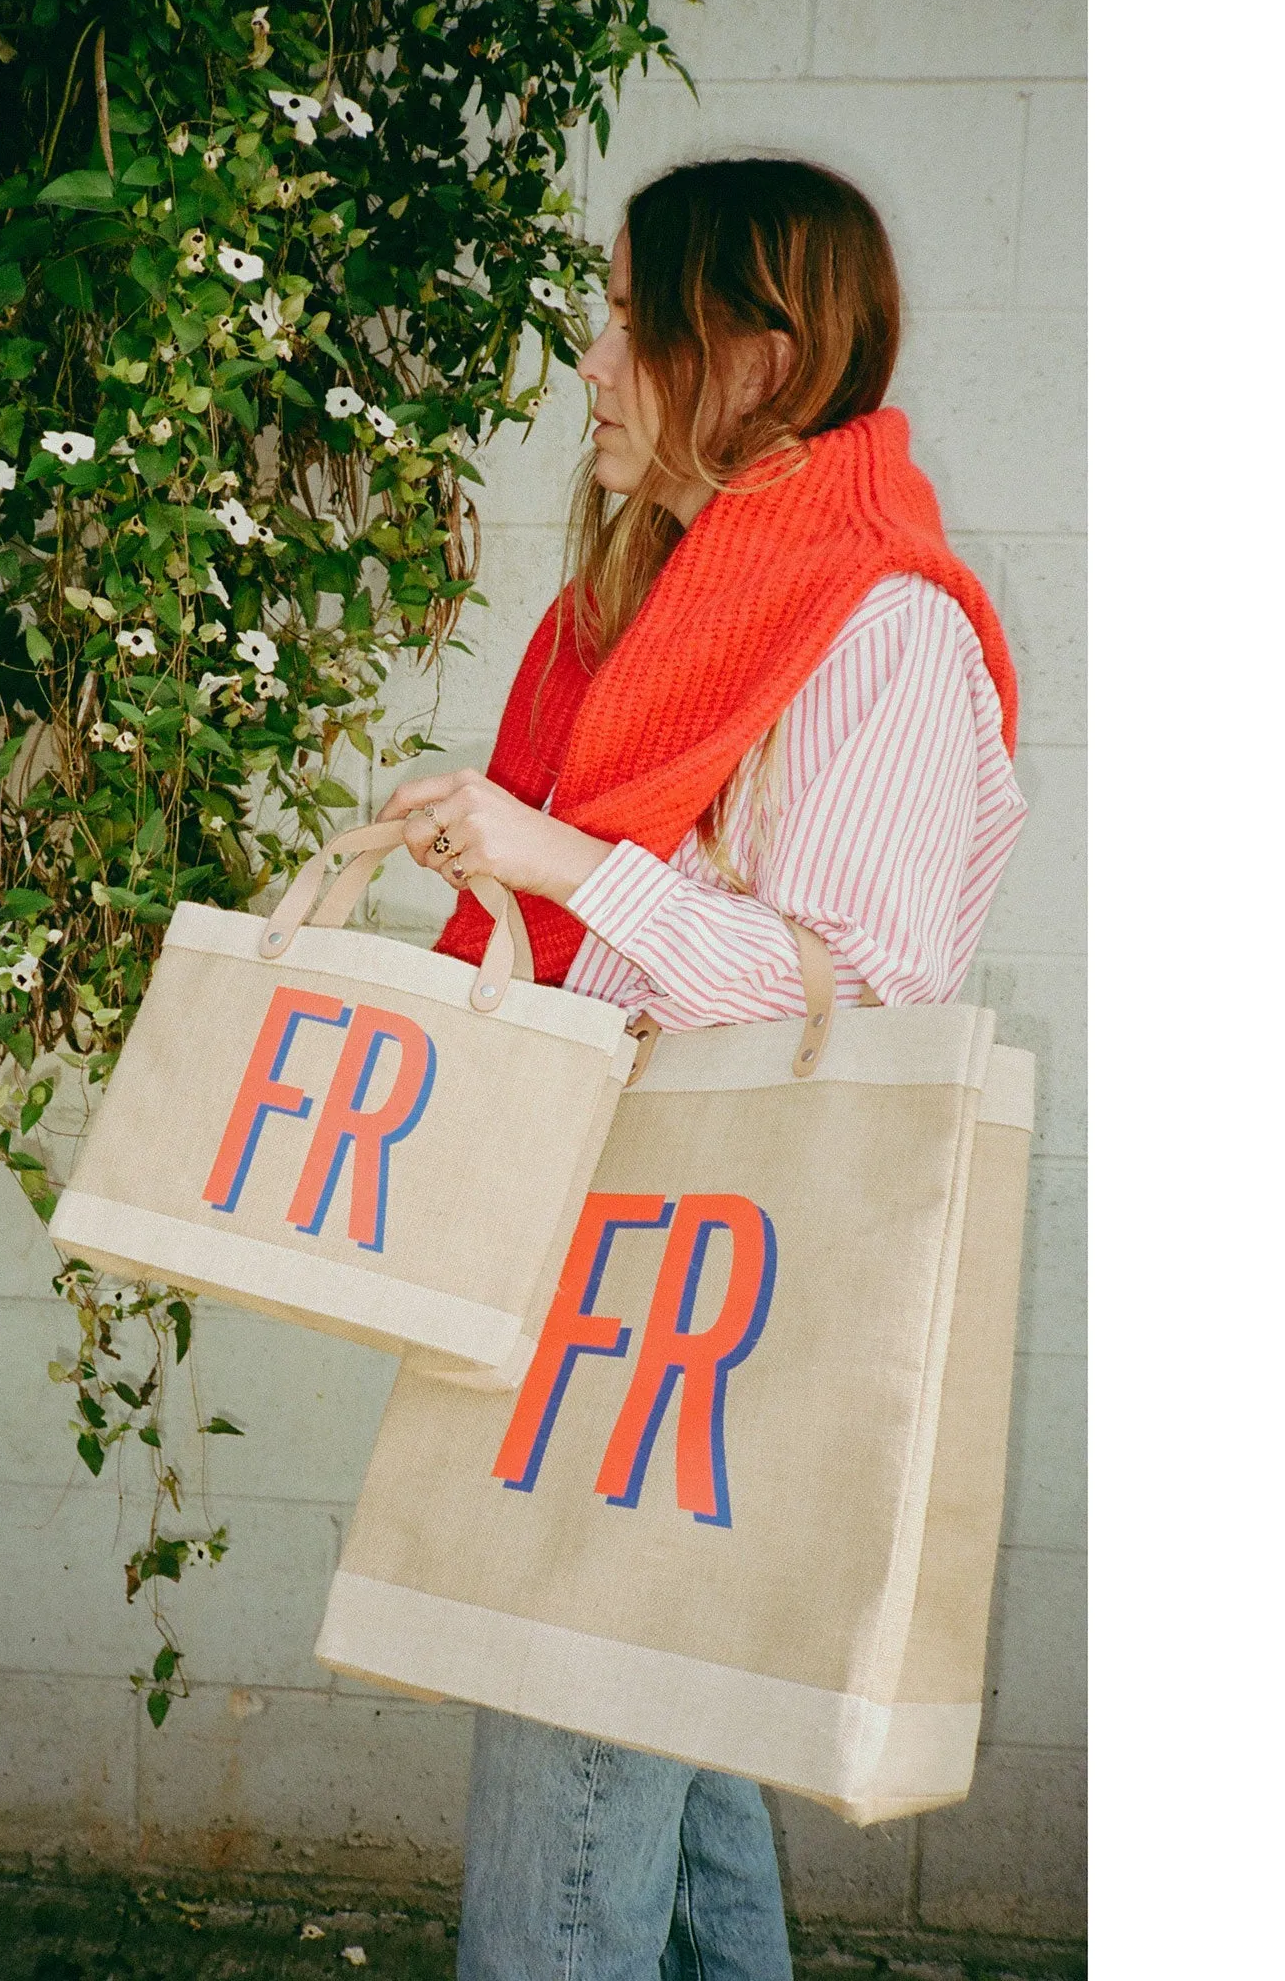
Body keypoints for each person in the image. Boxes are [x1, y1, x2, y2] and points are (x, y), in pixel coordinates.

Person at [374, 158, 1028, 1980]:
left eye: (625, 322)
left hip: (697, 1302)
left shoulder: (876, 625)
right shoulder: (668, 611)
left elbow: (868, 995)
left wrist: (569, 863)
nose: (587, 366)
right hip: (616, 1259)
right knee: (664, 1764)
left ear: (756, 348)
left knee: (565, 1804)